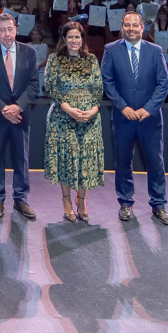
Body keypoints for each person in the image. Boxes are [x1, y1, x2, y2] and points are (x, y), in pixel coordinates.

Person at [101, 12, 168, 225]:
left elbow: (163, 83)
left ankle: (159, 205)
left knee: (155, 162)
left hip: (149, 119)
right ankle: (125, 202)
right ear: (122, 27)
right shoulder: (111, 50)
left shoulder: (155, 51)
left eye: (134, 25)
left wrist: (148, 109)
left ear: (142, 28)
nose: (130, 29)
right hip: (123, 117)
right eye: (127, 25)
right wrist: (122, 107)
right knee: (123, 161)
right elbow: (107, 81)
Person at [0, 12, 39, 220]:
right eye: (2, 30)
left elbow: (34, 85)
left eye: (10, 29)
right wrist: (5, 109)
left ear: (16, 30)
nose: (6, 34)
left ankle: (21, 199)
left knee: (21, 159)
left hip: (20, 117)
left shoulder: (29, 52)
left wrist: (18, 107)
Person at [43, 21, 104, 223]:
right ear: (64, 39)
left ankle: (82, 201)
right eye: (70, 36)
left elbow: (98, 89)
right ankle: (67, 201)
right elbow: (50, 86)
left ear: (82, 39)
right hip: (62, 118)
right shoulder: (54, 59)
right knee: (66, 161)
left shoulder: (91, 59)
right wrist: (68, 109)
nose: (74, 40)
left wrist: (92, 111)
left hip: (89, 120)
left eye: (77, 36)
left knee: (84, 161)